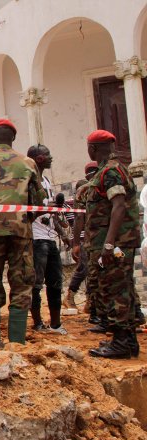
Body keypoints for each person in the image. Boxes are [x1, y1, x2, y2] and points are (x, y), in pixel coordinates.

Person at [0, 120, 45, 344]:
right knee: (22, 282)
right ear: (13, 139)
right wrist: (26, 220)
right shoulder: (27, 163)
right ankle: (17, 343)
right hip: (21, 231)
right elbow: (39, 201)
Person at [84, 130, 141, 358]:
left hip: (115, 244)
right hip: (118, 242)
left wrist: (108, 244)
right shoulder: (112, 170)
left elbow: (118, 206)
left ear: (93, 148)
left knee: (114, 289)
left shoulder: (110, 171)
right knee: (121, 289)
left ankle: (121, 343)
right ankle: (127, 341)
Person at [27, 144, 69, 334]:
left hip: (49, 240)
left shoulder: (45, 181)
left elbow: (51, 216)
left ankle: (56, 324)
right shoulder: (30, 181)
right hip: (36, 239)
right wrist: (49, 207)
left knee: (55, 282)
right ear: (38, 159)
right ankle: (37, 324)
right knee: (35, 283)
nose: (51, 158)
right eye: (47, 155)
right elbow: (29, 211)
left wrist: (64, 235)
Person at [66, 162, 98, 312]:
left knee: (95, 270)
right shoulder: (84, 191)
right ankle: (70, 296)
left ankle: (91, 302)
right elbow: (78, 218)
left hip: (98, 237)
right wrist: (76, 243)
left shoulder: (102, 188)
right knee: (84, 268)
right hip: (87, 238)